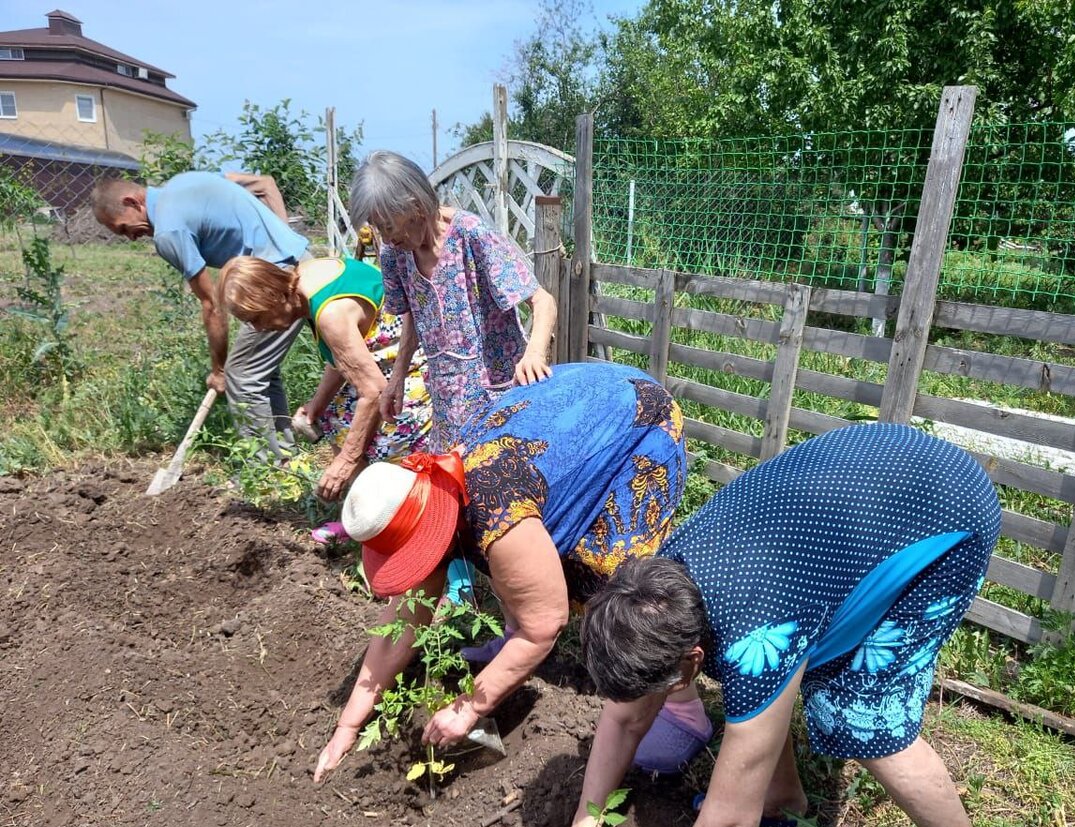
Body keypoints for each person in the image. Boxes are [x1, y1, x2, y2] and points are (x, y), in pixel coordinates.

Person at [529, 422, 1019, 827]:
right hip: (876, 473)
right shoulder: (657, 585)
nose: (640, 708)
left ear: (691, 661)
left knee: (861, 716)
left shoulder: (753, 638)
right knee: (774, 680)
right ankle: (782, 798)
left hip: (945, 511)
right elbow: (626, 718)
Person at [311, 362, 711, 784]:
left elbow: (545, 624)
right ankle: (510, 642)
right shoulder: (431, 494)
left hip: (632, 422)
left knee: (620, 586)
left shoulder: (496, 510)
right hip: (565, 420)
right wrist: (349, 725)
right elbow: (403, 621)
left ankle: (683, 706)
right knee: (519, 566)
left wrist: (469, 708)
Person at [91, 172, 310, 460]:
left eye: (123, 229)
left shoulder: (169, 232)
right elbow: (266, 183)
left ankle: (268, 469)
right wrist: (285, 239)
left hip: (274, 288)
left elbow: (212, 305)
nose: (131, 238)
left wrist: (220, 370)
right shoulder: (185, 180)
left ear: (132, 202)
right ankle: (284, 457)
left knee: (241, 376)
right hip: (302, 263)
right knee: (258, 372)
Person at [349, 151, 556, 453]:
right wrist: (396, 378)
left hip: (501, 396)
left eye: (388, 226)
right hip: (447, 405)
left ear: (415, 206)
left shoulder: (472, 236)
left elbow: (542, 300)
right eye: (377, 228)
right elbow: (415, 315)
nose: (385, 237)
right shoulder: (395, 254)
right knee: (450, 486)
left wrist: (535, 354)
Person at [216, 255, 432, 501]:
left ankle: (401, 512)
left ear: (273, 297)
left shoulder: (329, 314)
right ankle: (362, 510)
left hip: (415, 361)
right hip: (385, 358)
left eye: (255, 319)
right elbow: (343, 358)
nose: (256, 329)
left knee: (389, 441)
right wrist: (316, 405)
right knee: (334, 415)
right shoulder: (305, 278)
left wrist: (346, 460)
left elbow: (374, 392)